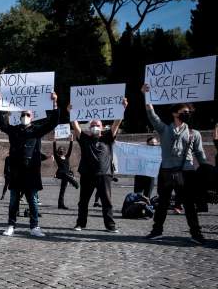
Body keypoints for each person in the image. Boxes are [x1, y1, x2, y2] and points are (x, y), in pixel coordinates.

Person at [141, 84, 208, 244]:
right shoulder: (164, 130)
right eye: (183, 112)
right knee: (163, 203)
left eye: (188, 112)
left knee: (189, 205)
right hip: (166, 172)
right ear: (174, 113)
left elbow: (200, 154)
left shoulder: (194, 133)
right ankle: (157, 231)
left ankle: (196, 234)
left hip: (187, 173)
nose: (187, 114)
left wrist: (206, 169)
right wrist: (146, 96)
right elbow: (152, 115)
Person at [0, 94, 59, 237]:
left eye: (27, 114)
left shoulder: (37, 130)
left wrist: (54, 104)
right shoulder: (14, 130)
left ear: (32, 116)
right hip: (16, 171)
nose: (25, 116)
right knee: (13, 201)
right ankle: (11, 225)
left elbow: (52, 123)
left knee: (33, 201)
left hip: (31, 171)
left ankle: (34, 226)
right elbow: (1, 124)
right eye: (23, 114)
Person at [71, 99, 126, 233]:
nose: (95, 126)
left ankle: (110, 225)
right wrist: (71, 112)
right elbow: (75, 126)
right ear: (90, 128)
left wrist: (122, 108)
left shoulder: (108, 138)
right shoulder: (84, 138)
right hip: (87, 174)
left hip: (104, 174)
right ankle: (80, 224)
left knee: (107, 201)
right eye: (93, 124)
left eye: (98, 124)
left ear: (102, 127)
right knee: (83, 202)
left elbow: (116, 124)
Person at [53, 135, 79, 209]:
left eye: (62, 149)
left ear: (64, 151)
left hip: (66, 175)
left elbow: (70, 149)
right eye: (60, 149)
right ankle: (74, 183)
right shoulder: (57, 157)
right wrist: (54, 141)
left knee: (62, 190)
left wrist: (71, 140)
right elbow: (54, 150)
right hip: (60, 173)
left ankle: (60, 204)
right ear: (58, 151)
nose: (61, 150)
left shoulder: (67, 157)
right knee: (65, 174)